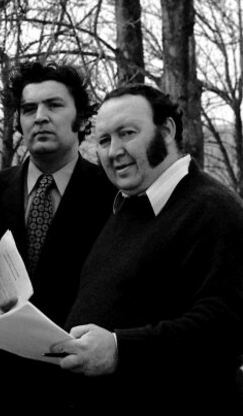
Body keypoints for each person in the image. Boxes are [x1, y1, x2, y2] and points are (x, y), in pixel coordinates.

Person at [50, 83, 243, 414]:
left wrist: (119, 349)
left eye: (127, 133)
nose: (113, 151)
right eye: (105, 140)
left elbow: (225, 327)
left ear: (166, 131)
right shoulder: (129, 207)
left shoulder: (213, 209)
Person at [0, 61, 115, 414]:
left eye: (54, 105)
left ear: (80, 119)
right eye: (29, 108)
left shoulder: (111, 194)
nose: (40, 117)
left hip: (77, 389)